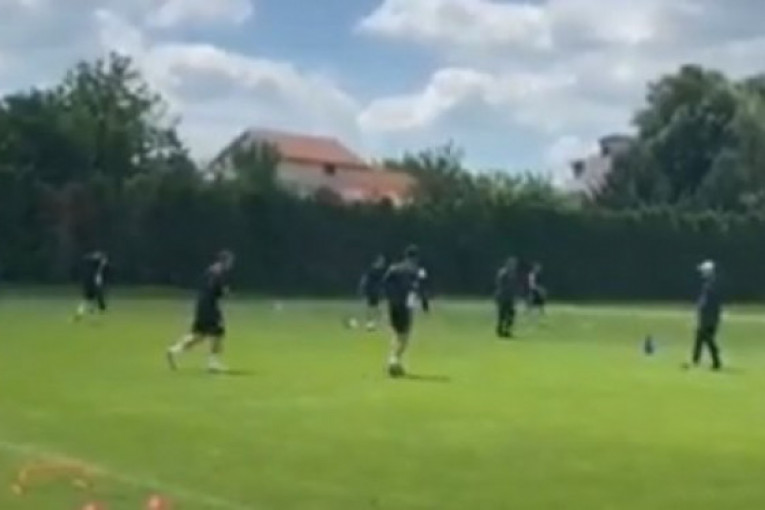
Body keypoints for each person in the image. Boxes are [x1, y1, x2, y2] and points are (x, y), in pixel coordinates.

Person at [166, 250, 236, 373]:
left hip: (201, 304)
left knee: (198, 335)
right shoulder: (220, 273)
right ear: (225, 261)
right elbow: (219, 289)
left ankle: (174, 350)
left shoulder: (209, 270)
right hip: (210, 306)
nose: (231, 264)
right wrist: (226, 292)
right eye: (230, 261)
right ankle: (213, 363)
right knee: (218, 333)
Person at [383, 245, 421, 378]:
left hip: (393, 305)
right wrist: (412, 306)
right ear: (415, 258)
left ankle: (395, 363)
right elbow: (414, 289)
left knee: (396, 334)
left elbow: (385, 284)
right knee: (404, 336)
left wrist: (390, 299)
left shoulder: (394, 268)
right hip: (404, 306)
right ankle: (393, 360)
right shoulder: (414, 271)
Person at [689, 260, 723, 371]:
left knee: (707, 338)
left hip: (708, 316)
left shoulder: (710, 286)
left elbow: (707, 302)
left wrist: (700, 307)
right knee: (700, 337)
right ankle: (695, 360)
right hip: (713, 316)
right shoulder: (713, 284)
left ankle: (716, 361)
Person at [74, 251, 109, 321]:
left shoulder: (92, 268)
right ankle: (93, 315)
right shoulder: (97, 269)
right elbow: (102, 262)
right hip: (94, 286)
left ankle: (80, 313)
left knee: (86, 300)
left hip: (90, 285)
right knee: (92, 301)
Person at [359, 255, 388, 331]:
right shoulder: (371, 270)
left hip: (376, 292)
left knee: (376, 308)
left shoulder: (381, 271)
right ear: (377, 261)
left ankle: (374, 323)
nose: (383, 263)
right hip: (371, 291)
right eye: (381, 261)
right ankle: (370, 323)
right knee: (372, 308)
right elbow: (364, 279)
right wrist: (362, 289)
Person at [495, 257, 519, 338]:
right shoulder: (503, 273)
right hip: (503, 296)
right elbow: (500, 285)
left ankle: (507, 330)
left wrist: (514, 295)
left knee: (511, 314)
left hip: (510, 297)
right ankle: (500, 330)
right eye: (512, 264)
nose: (514, 265)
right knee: (502, 315)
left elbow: (514, 286)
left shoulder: (512, 273)